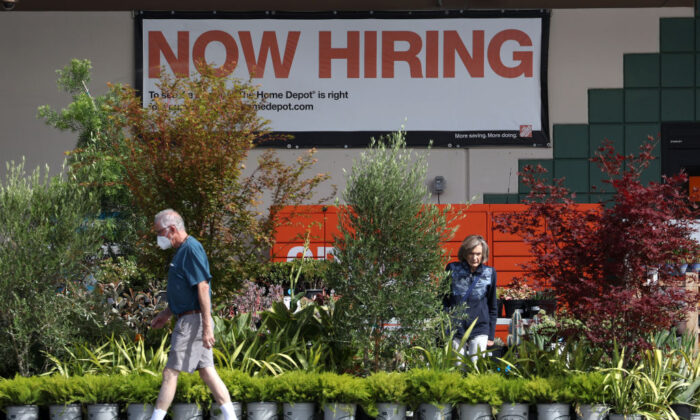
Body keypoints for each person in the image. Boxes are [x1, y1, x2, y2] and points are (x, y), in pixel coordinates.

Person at [149, 209, 237, 420]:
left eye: (160, 232)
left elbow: (203, 287)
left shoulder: (191, 248)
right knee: (207, 371)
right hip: (190, 318)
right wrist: (167, 313)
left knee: (170, 372)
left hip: (192, 322)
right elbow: (186, 293)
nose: (158, 237)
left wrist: (207, 328)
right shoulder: (182, 251)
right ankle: (231, 418)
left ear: (172, 229)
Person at [443, 234, 498, 364]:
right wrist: (445, 328)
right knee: (458, 366)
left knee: (476, 366)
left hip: (480, 327)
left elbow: (492, 305)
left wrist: (491, 335)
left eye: (478, 254)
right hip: (456, 328)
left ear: (483, 255)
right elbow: (443, 300)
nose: (475, 258)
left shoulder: (489, 273)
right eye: (471, 254)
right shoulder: (452, 269)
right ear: (465, 254)